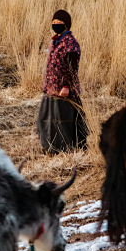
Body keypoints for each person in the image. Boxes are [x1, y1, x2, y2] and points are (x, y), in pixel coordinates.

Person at [37, 9, 88, 154]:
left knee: (64, 121)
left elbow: (72, 68)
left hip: (63, 90)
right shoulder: (55, 41)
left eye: (59, 23)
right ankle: (51, 147)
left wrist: (66, 86)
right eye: (54, 22)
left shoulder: (70, 43)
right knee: (46, 120)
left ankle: (66, 149)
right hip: (51, 89)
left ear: (67, 25)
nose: (56, 25)